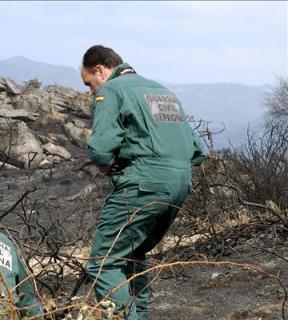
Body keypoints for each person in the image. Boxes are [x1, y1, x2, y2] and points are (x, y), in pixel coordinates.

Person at [79, 45, 205, 319]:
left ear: (100, 70)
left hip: (144, 184)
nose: (91, 91)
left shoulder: (111, 91)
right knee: (132, 255)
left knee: (104, 263)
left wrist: (115, 169)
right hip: (180, 184)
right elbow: (198, 150)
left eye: (89, 83)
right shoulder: (162, 92)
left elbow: (100, 150)